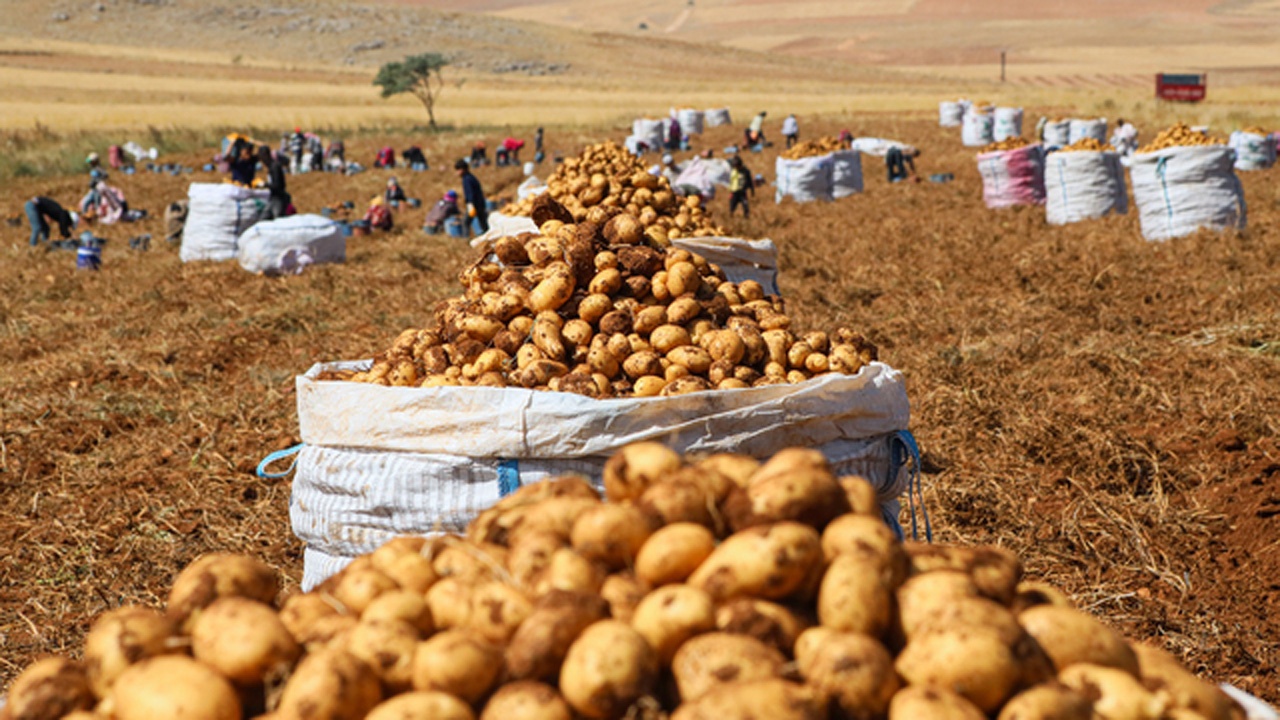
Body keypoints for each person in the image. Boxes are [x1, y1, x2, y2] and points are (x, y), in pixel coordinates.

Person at [456, 159, 488, 235]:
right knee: (483, 222)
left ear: (462, 169)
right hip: (480, 203)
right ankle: (488, 236)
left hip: (475, 204)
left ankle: (465, 239)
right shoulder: (471, 177)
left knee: (466, 222)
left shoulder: (467, 179)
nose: (457, 172)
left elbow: (470, 192)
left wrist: (470, 203)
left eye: (458, 170)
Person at [260, 145, 291, 220]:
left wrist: (265, 185)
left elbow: (278, 185)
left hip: (278, 198)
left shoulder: (275, 167)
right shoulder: (271, 167)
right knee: (264, 218)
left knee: (278, 219)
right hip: (273, 197)